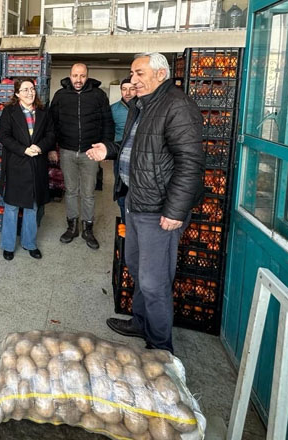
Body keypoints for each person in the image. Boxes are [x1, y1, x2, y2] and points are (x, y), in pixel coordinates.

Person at [87, 52, 204, 353]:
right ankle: (140, 322)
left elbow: (190, 162)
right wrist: (109, 150)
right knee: (136, 267)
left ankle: (161, 349)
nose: (133, 80)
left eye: (139, 73)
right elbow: (137, 149)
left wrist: (175, 210)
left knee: (154, 282)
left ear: (160, 74)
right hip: (134, 200)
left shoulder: (177, 106)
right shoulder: (142, 106)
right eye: (132, 73)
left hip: (158, 209)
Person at [49, 63, 114, 250]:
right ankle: (72, 227)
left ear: (87, 76)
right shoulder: (60, 96)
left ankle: (88, 229)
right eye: (75, 75)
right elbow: (52, 124)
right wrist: (53, 148)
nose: (78, 80)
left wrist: (106, 149)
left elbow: (107, 123)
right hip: (67, 151)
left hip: (90, 152)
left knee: (88, 193)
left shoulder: (98, 95)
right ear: (70, 76)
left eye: (82, 76)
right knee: (71, 191)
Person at [0, 78, 55, 261]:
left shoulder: (43, 112)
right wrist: (23, 150)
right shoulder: (9, 112)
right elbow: (4, 137)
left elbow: (51, 134)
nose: (30, 92)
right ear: (17, 93)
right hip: (16, 164)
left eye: (32, 89)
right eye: (25, 90)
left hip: (36, 164)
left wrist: (39, 147)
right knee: (12, 207)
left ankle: (29, 243)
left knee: (33, 206)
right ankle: (8, 245)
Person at [110, 77, 137, 222]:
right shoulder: (113, 109)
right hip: (120, 157)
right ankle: (124, 222)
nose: (128, 93)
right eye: (124, 89)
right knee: (121, 191)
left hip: (139, 158)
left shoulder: (143, 109)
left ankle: (134, 222)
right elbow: (109, 133)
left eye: (132, 89)